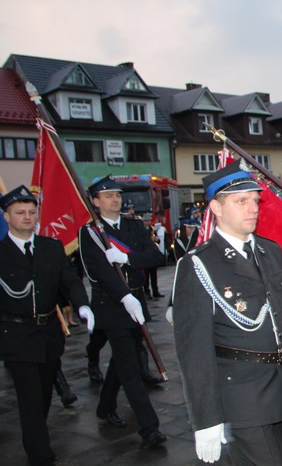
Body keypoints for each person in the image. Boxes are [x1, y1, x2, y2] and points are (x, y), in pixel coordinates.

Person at [172, 160, 282, 465]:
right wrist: (206, 419)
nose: (253, 208)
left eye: (255, 200)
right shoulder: (198, 264)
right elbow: (194, 350)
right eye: (241, 201)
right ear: (216, 207)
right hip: (241, 396)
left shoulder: (270, 250)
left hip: (281, 390)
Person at [0, 185, 94, 465]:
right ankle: (40, 454)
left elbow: (70, 280)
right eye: (20, 212)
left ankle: (34, 435)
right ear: (6, 217)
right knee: (29, 396)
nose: (27, 217)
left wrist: (82, 305)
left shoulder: (50, 247)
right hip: (15, 335)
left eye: (32, 211)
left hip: (49, 334)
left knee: (42, 396)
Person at [78, 175, 166, 448]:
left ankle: (105, 406)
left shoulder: (134, 225)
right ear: (95, 201)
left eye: (117, 195)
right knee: (130, 368)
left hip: (137, 301)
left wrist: (127, 257)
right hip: (112, 305)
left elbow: (156, 256)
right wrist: (124, 296)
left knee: (122, 359)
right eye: (107, 196)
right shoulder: (90, 232)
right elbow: (99, 271)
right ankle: (149, 427)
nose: (115, 199)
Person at [143, 218, 166, 299]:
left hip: (153, 254)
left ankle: (155, 291)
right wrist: (150, 239)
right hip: (145, 255)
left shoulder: (152, 229)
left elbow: (157, 241)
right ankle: (147, 292)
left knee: (154, 275)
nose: (148, 222)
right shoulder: (141, 230)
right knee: (146, 276)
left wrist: (157, 239)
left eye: (149, 221)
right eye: (146, 221)